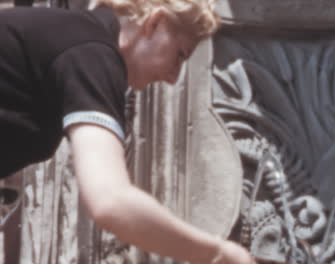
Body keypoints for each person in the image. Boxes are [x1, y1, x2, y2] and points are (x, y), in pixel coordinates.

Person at [0, 0, 256, 263]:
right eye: (180, 55)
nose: (173, 78)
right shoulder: (91, 53)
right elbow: (110, 200)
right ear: (155, 22)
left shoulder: (73, 36)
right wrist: (217, 252)